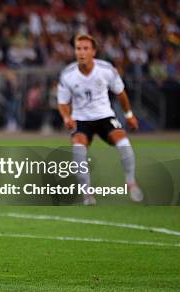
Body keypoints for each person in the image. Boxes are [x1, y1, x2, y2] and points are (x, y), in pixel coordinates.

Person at [57, 34, 143, 205]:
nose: (81, 53)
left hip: (104, 116)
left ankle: (131, 183)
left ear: (93, 51)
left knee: (124, 143)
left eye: (85, 49)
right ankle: (87, 194)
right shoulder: (68, 74)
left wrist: (129, 115)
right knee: (78, 149)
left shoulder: (106, 70)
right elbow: (62, 102)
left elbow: (121, 94)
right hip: (81, 119)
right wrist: (67, 117)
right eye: (78, 48)